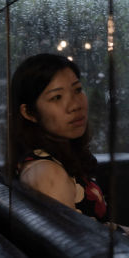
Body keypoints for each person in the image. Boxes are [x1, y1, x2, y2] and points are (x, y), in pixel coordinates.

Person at [11, 53, 128, 234]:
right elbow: (70, 246)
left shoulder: (59, 158)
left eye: (78, 90)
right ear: (29, 112)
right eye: (57, 97)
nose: (75, 105)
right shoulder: (47, 173)